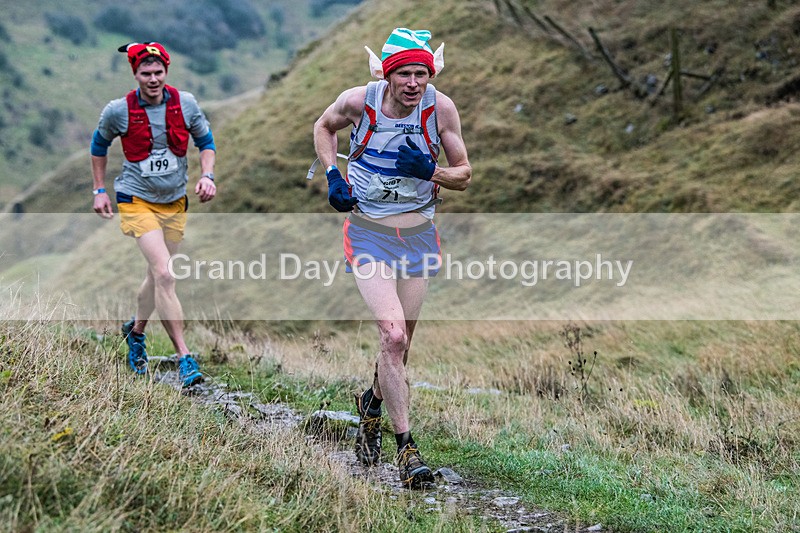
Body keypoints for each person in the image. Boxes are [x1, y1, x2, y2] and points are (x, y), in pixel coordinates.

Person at [312, 28, 471, 488]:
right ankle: (407, 451)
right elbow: (323, 127)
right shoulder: (359, 101)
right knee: (393, 334)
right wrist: (332, 176)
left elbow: (464, 175)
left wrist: (432, 170)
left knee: (400, 348)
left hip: (418, 234)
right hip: (367, 233)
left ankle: (371, 404)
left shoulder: (439, 107)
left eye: (421, 72)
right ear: (387, 74)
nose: (413, 82)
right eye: (404, 73)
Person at [91, 42, 217, 388]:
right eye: (145, 73)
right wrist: (99, 190)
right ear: (135, 74)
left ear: (166, 72)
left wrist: (207, 176)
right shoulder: (118, 110)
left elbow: (206, 143)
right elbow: (98, 146)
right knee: (165, 274)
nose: (152, 78)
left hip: (174, 200)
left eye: (158, 72)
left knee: (156, 274)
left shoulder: (185, 103)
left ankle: (135, 333)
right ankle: (185, 357)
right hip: (136, 199)